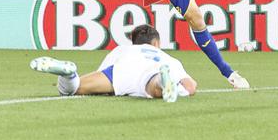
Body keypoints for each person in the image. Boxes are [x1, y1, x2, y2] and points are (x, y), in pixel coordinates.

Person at [30, 24, 195, 102]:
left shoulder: (124, 49)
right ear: (157, 43)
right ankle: (161, 81)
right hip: (153, 70)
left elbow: (104, 72)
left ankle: (69, 74)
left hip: (122, 70)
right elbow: (191, 85)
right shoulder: (167, 58)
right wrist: (184, 90)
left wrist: (103, 88)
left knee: (76, 88)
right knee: (154, 87)